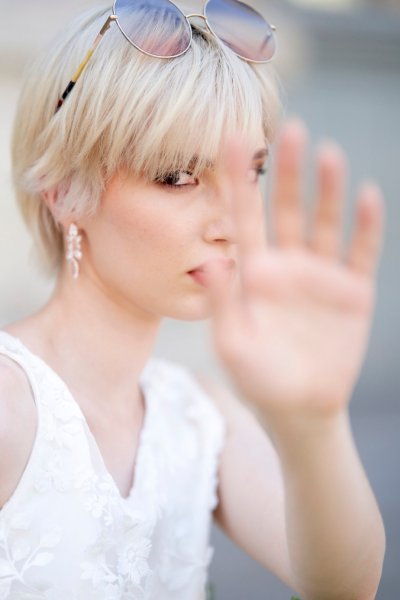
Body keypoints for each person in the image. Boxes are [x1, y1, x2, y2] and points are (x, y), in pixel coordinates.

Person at [0, 1, 386, 599]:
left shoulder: (198, 414)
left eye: (248, 173)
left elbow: (343, 585)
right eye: (178, 176)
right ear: (64, 191)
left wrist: (316, 422)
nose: (233, 222)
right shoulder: (9, 407)